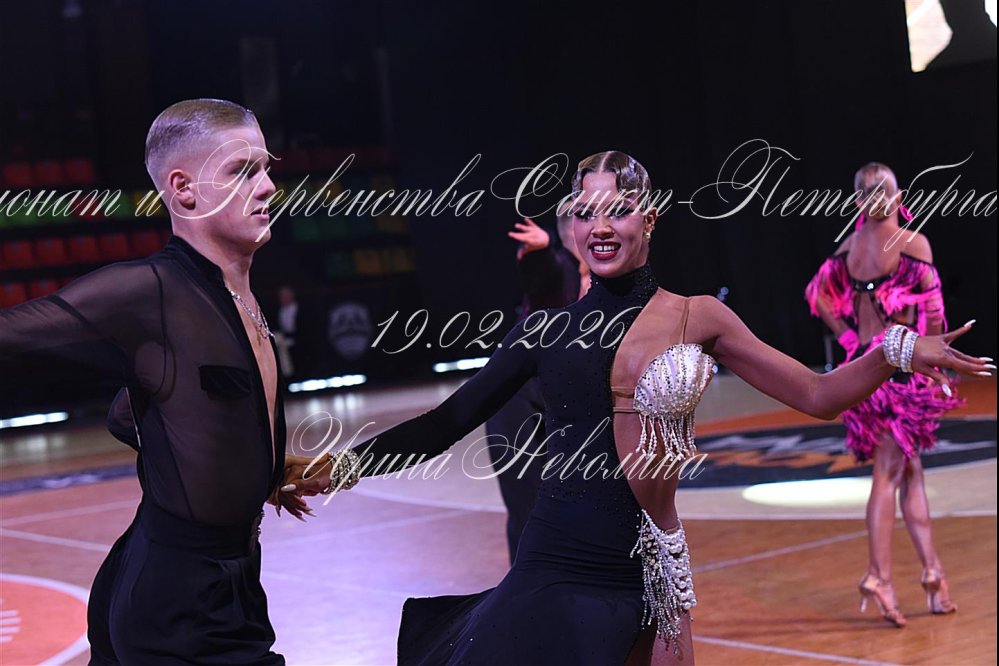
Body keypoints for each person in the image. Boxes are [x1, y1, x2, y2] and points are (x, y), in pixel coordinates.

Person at [287, 151, 989, 665]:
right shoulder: (544, 332)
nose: (600, 225)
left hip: (653, 566)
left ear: (648, 219)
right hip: (558, 562)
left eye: (618, 208)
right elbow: (445, 424)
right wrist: (337, 468)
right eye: (585, 212)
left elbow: (816, 394)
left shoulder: (698, 317)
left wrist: (896, 349)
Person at [0, 98, 312, 664]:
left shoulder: (234, 293)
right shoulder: (150, 293)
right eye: (242, 171)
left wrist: (248, 468)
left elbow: (132, 412)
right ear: (184, 189)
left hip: (224, 585)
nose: (268, 186)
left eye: (266, 169)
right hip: (177, 603)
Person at [805, 162, 975, 627]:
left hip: (862, 370)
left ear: (858, 200)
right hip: (898, 372)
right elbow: (934, 316)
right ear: (898, 197)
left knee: (909, 471)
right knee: (888, 473)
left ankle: (933, 574)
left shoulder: (849, 248)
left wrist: (847, 338)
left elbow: (817, 295)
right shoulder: (912, 243)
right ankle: (878, 575)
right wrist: (936, 365)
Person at [484, 213, 588, 562]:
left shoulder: (610, 286)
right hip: (514, 404)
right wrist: (540, 252)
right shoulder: (563, 272)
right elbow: (546, 278)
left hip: (559, 406)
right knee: (530, 516)